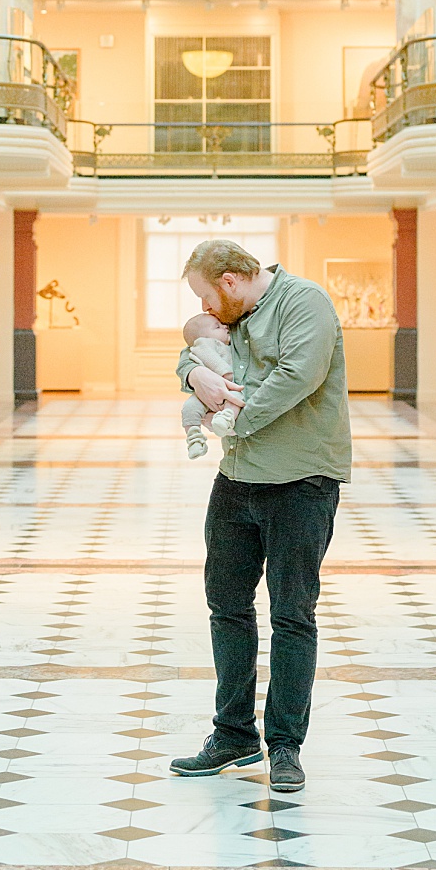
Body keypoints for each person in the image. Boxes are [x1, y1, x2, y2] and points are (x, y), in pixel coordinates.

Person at [166, 238, 349, 796]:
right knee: (226, 605)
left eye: (205, 295)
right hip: (238, 481)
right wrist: (193, 378)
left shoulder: (304, 302)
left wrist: (231, 420)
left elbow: (298, 377)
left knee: (293, 614)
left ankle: (286, 746)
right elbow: (195, 351)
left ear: (229, 281)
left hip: (301, 482)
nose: (203, 308)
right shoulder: (231, 315)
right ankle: (233, 735)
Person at [176, 310, 238, 460]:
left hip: (228, 390)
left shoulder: (228, 344)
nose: (224, 327)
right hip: (211, 390)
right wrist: (226, 374)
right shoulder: (205, 343)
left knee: (236, 399)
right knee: (190, 407)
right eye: (217, 327)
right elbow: (210, 358)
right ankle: (194, 437)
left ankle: (225, 419)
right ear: (202, 337)